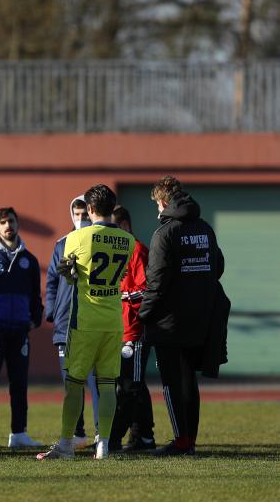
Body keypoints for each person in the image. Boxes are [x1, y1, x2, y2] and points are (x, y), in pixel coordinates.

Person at [38, 184, 134, 460]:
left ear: (90, 209)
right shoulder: (127, 240)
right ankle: (104, 443)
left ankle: (66, 443)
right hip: (113, 320)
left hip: (84, 320)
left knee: (74, 384)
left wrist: (70, 275)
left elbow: (70, 276)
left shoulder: (76, 238)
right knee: (107, 384)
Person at [139, 176, 225, 457]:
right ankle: (190, 442)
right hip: (200, 317)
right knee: (189, 381)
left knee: (171, 383)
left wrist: (143, 315)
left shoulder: (164, 233)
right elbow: (218, 266)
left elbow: (157, 282)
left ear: (163, 202)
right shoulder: (205, 228)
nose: (157, 210)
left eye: (157, 204)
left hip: (169, 322)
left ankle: (181, 441)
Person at [0, 207, 44, 448]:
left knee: (19, 384)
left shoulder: (29, 260)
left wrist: (35, 319)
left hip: (20, 332)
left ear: (17, 224)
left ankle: (19, 433)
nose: (7, 226)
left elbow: (35, 296)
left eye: (11, 221)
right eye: (2, 222)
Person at [45, 195, 101, 448]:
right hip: (66, 322)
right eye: (76, 214)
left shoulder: (100, 242)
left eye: (84, 214)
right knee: (71, 383)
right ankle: (77, 433)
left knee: (96, 382)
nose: (81, 219)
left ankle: (101, 433)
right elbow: (52, 282)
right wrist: (52, 312)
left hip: (93, 319)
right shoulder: (62, 244)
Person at [108, 205, 156, 452]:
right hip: (119, 328)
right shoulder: (115, 250)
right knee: (133, 384)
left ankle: (112, 438)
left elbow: (146, 289)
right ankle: (143, 436)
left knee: (129, 386)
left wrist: (118, 295)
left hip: (134, 329)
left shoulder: (137, 250)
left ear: (124, 225)